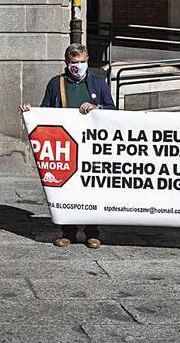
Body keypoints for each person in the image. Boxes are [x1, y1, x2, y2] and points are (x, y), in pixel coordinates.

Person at [19, 44, 115, 249]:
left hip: (92, 146)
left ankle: (92, 231)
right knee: (68, 187)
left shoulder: (98, 83)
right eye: (74, 62)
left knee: (91, 188)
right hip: (65, 144)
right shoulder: (56, 83)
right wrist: (30, 112)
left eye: (82, 62)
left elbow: (112, 109)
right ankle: (68, 232)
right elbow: (45, 110)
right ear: (67, 63)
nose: (78, 66)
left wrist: (98, 108)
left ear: (87, 61)